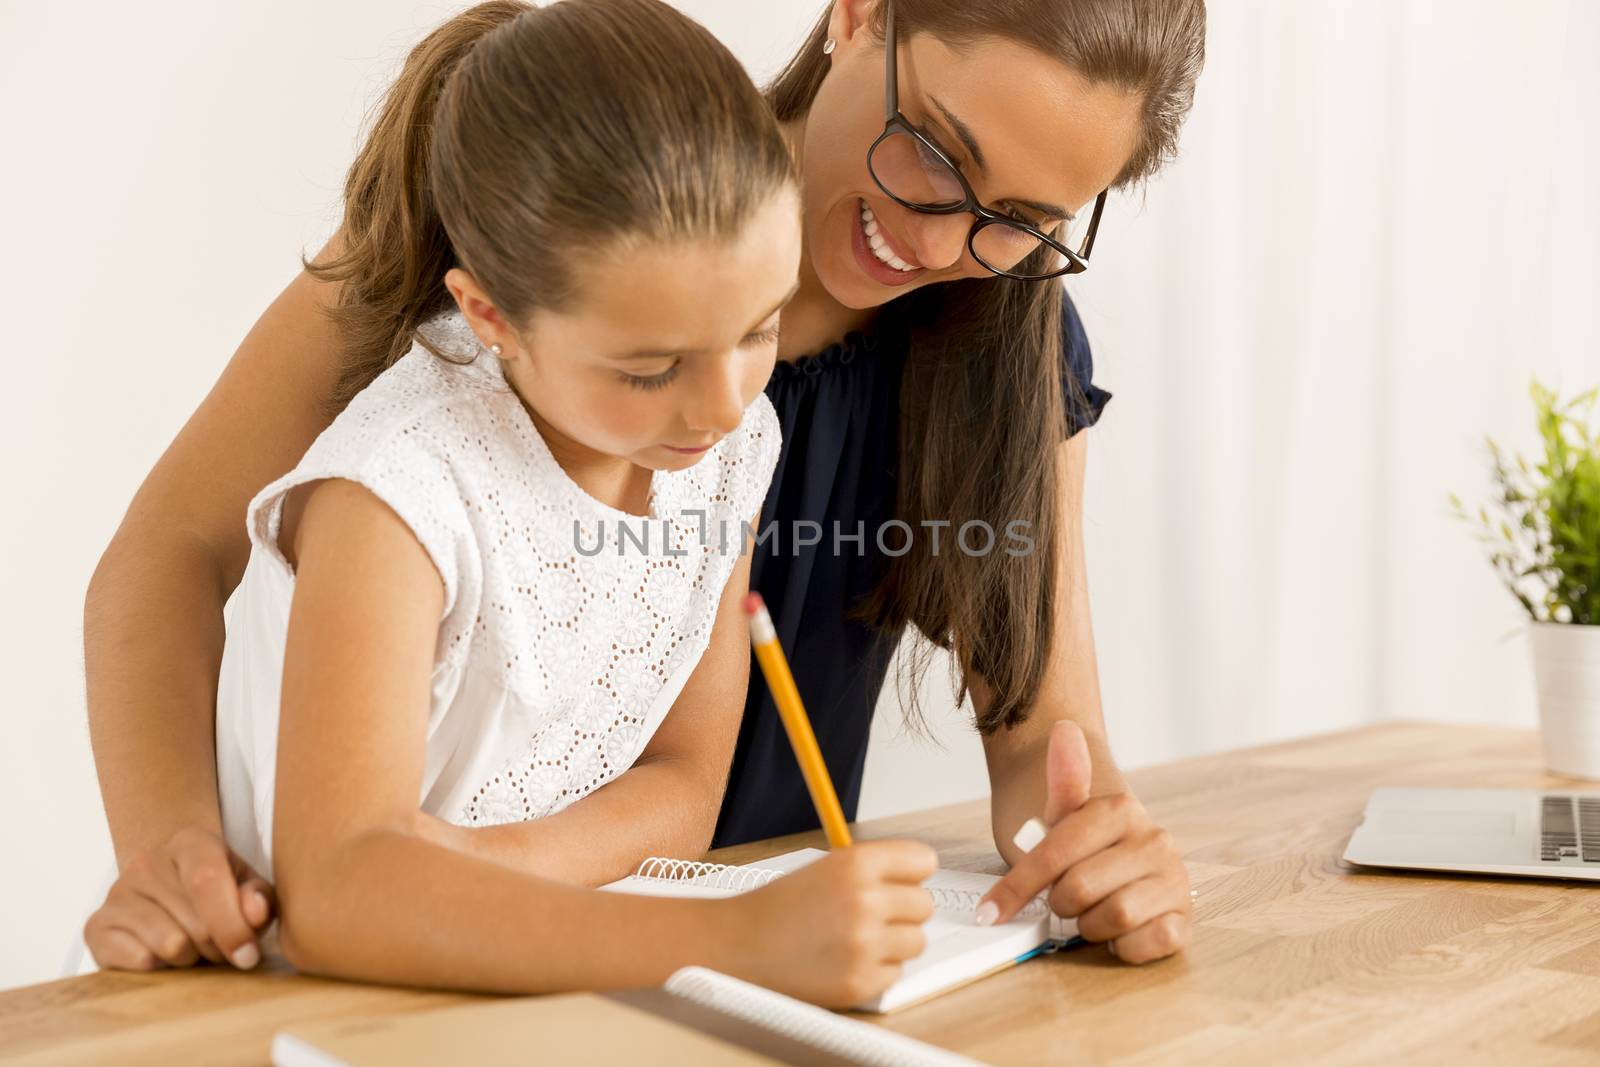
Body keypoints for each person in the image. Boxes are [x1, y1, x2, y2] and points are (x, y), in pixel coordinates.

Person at [84, 0, 1207, 975]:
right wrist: (172, 844)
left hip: (743, 964)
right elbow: (172, 549)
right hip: (415, 948)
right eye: (935, 151)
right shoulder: (551, 202)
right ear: (861, 15)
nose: (941, 234)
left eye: (1023, 221)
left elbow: (1043, 742)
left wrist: (1092, 839)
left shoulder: (1004, 352)